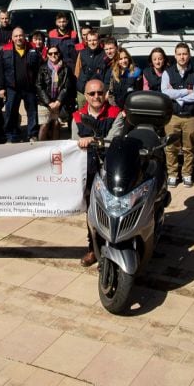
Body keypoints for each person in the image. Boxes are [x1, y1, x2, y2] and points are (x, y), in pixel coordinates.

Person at [72, 78, 123, 267]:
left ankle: (111, 251)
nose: (96, 97)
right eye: (92, 94)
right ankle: (93, 249)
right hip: (88, 170)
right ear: (85, 96)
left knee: (111, 210)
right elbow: (73, 143)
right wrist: (81, 142)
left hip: (111, 170)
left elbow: (112, 140)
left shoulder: (116, 113)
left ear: (106, 94)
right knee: (92, 213)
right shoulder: (77, 116)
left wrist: (91, 139)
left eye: (100, 93)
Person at [161, 42, 194, 188]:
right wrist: (185, 92)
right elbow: (165, 93)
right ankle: (172, 174)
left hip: (191, 117)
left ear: (189, 55)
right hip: (173, 116)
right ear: (175, 55)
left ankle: (187, 174)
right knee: (171, 147)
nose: (182, 57)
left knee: (189, 148)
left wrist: (176, 96)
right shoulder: (168, 72)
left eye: (184, 54)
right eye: (179, 54)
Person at [0, 27, 42, 142]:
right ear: (12, 38)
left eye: (20, 36)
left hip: (29, 87)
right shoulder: (4, 50)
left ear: (25, 36)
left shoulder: (33, 49)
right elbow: (0, 70)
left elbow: (39, 68)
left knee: (32, 112)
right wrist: (1, 87)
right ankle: (11, 135)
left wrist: (38, 86)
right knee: (10, 112)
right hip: (12, 88)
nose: (18, 38)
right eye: (16, 36)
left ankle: (32, 134)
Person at [36, 44, 74, 140]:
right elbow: (39, 86)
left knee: (56, 124)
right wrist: (48, 102)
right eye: (50, 53)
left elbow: (66, 86)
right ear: (47, 55)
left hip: (58, 102)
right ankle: (40, 147)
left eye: (55, 53)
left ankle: (55, 147)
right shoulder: (42, 68)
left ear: (59, 54)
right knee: (44, 125)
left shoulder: (65, 68)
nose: (53, 55)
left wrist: (58, 101)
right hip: (44, 102)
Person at [73, 30, 108, 106]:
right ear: (86, 41)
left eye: (94, 40)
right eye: (90, 40)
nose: (92, 43)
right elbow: (77, 71)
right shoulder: (82, 53)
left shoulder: (105, 54)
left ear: (99, 40)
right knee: (82, 115)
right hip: (83, 90)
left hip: (98, 92)